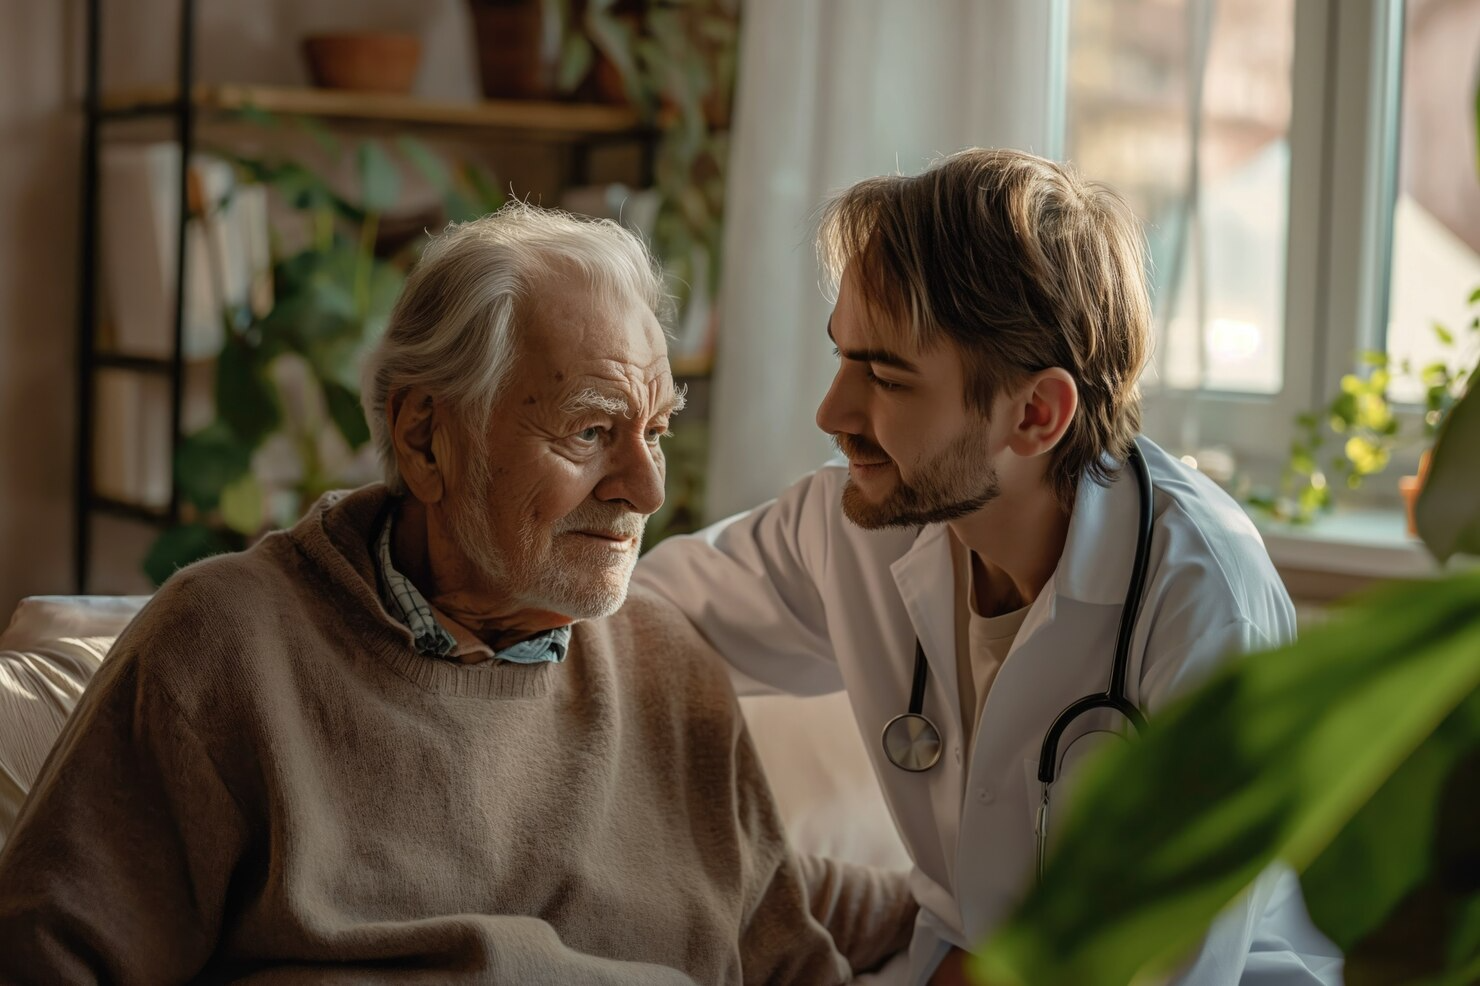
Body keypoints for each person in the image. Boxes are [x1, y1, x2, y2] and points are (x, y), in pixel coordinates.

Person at [0, 204, 916, 984]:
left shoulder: (670, 666)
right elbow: (52, 958)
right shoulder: (223, 648)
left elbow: (789, 947)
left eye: (658, 431)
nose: (645, 489)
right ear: (426, 439)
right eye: (591, 430)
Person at [635, 149, 1344, 986]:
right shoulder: (857, 524)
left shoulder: (1205, 602)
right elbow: (633, 621)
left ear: (1036, 414)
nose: (832, 412)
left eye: (885, 377)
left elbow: (1171, 967)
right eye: (842, 357)